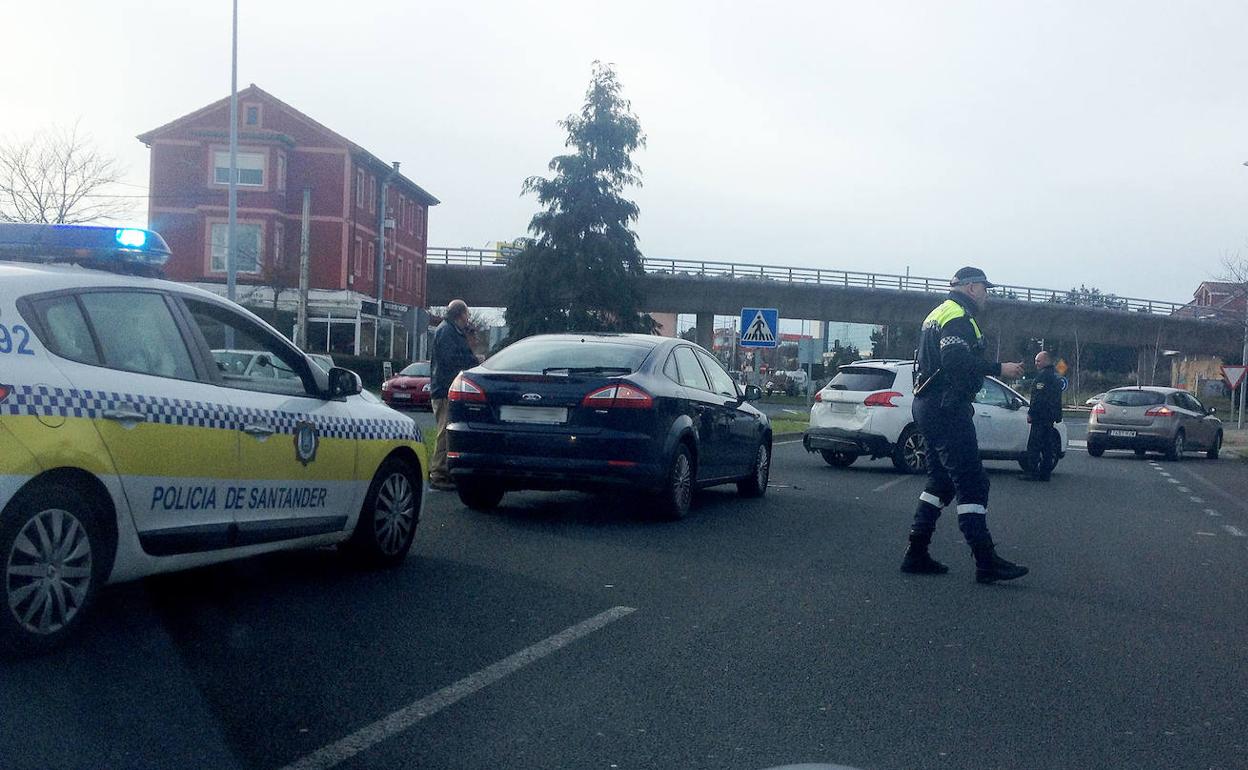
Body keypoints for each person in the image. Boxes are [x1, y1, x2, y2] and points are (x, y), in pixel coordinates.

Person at [899, 266, 1030, 584]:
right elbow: (955, 361)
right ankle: (986, 561)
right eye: (984, 288)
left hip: (926, 404)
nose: (987, 294)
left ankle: (916, 553)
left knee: (940, 482)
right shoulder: (958, 316)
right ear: (971, 288)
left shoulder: (937, 313)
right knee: (972, 483)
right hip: (946, 408)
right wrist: (1001, 367)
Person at [429, 299, 479, 491]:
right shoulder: (448, 332)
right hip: (444, 389)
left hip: (444, 387)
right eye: (466, 314)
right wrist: (473, 361)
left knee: (447, 431)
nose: (468, 318)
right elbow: (451, 359)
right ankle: (438, 473)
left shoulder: (450, 330)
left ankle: (444, 471)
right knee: (444, 432)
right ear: (460, 314)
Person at [1021, 351, 1062, 481]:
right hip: (1049, 417)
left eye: (1038, 361)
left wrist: (1031, 413)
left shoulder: (1042, 377)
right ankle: (1045, 474)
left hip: (1040, 417)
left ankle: (1032, 472)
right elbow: (1057, 399)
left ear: (1046, 361)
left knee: (1034, 445)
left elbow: (1038, 399)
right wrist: (1058, 415)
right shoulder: (1055, 377)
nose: (1036, 364)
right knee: (1047, 447)